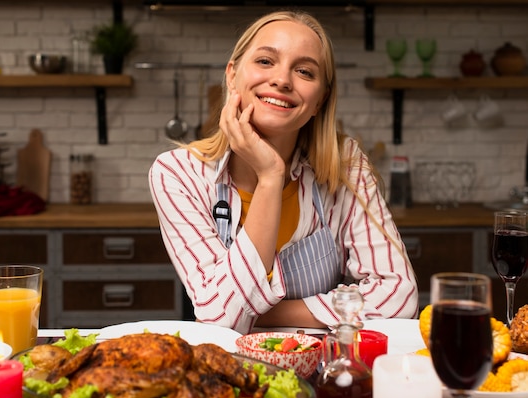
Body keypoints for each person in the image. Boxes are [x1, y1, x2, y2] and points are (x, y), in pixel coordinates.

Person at [149, 10, 418, 334]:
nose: (282, 80)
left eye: (304, 71)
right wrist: (271, 177)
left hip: (322, 368)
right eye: (265, 61)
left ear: (320, 100)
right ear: (232, 75)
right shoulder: (178, 174)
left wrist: (262, 314)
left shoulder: (345, 165)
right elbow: (221, 322)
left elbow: (399, 298)